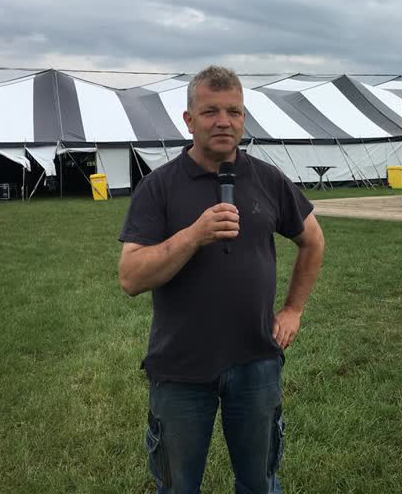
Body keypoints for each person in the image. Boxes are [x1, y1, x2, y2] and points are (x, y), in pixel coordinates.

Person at [118, 65, 325, 494]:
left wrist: (293, 310)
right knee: (178, 487)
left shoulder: (267, 179)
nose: (224, 122)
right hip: (180, 367)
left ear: (244, 119)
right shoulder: (158, 187)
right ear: (189, 120)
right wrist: (193, 235)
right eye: (210, 111)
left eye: (234, 111)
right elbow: (131, 277)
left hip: (256, 360)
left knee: (259, 483)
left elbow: (313, 240)